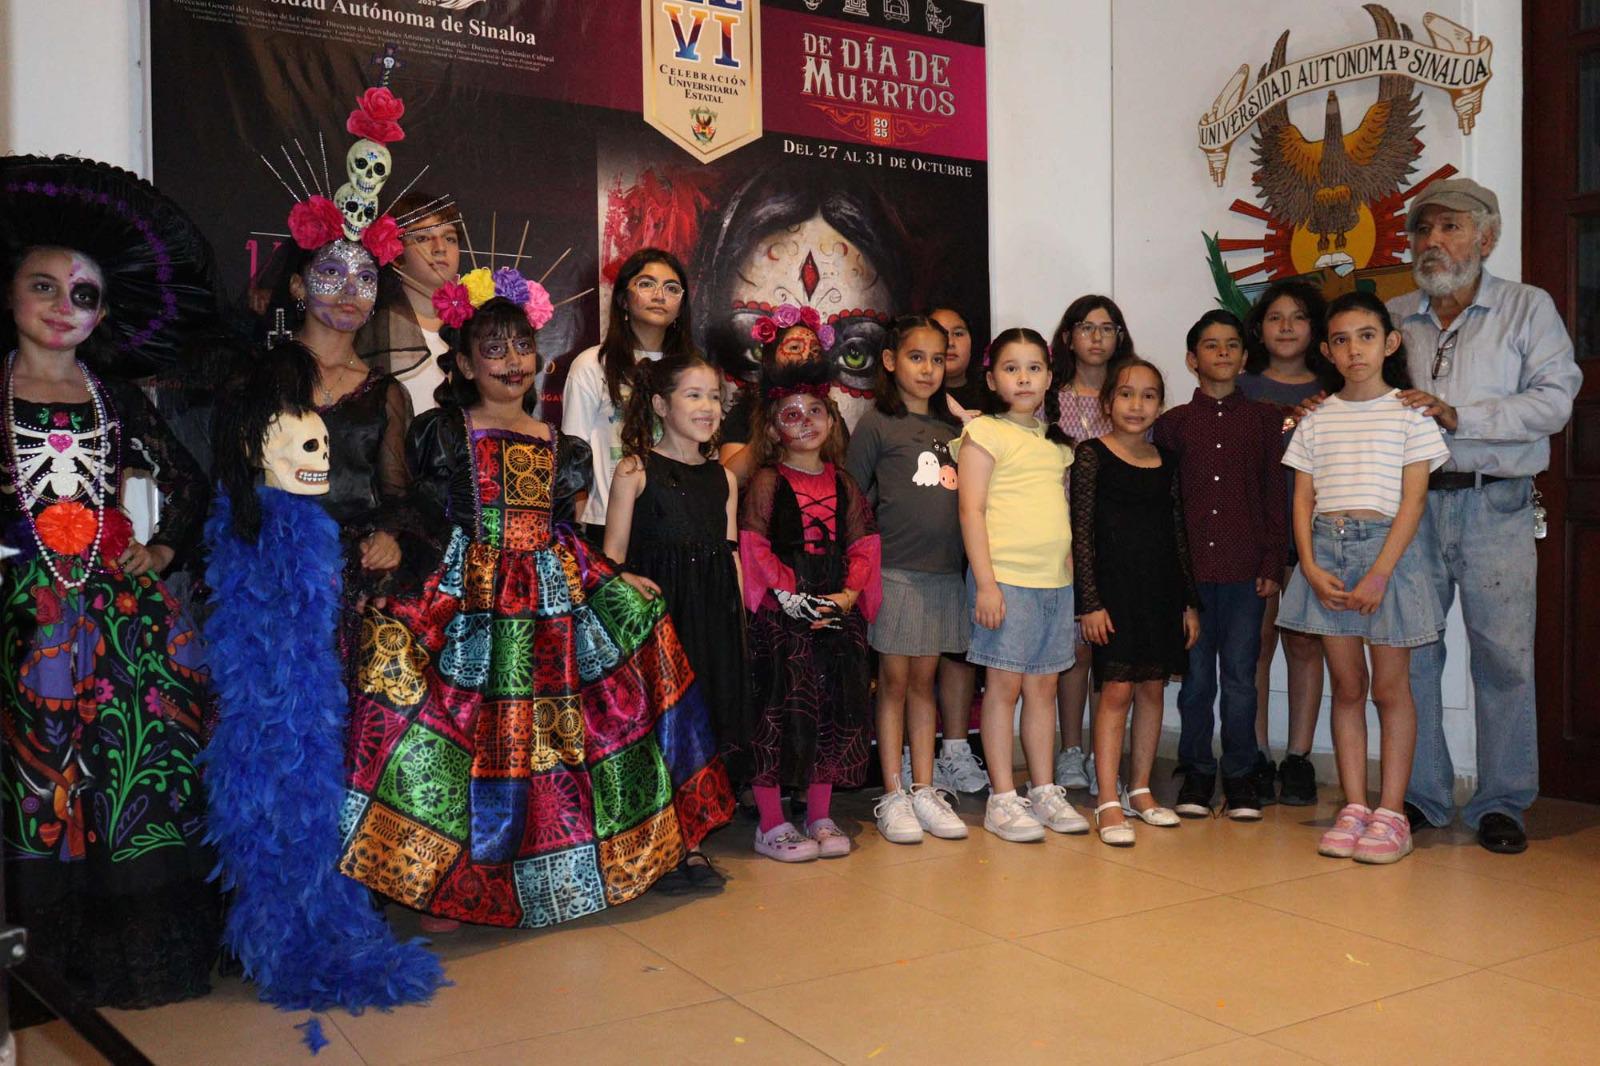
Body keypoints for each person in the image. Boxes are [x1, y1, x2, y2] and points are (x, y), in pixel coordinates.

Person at [339, 281, 735, 926]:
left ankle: (635, 845)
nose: (512, 361)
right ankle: (445, 871)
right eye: (493, 350)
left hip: (548, 599)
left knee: (579, 709)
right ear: (465, 364)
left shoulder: (565, 449)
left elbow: (563, 535)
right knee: (464, 731)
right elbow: (419, 514)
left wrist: (613, 577)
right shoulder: (442, 432)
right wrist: (395, 563)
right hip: (471, 597)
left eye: (522, 346)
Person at [0, 155, 222, 1011]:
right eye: (44, 286)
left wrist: (160, 553)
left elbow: (193, 485)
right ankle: (36, 970)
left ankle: (136, 964)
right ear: (11, 293)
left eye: (83, 294)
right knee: (37, 780)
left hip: (120, 627)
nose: (63, 307)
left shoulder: (115, 397)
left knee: (129, 779)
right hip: (22, 622)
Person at [203, 354, 443, 1009]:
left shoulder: (308, 527)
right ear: (257, 450)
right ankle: (277, 928)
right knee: (274, 786)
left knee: (314, 782)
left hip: (311, 691)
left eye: (325, 443)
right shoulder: (260, 529)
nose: (323, 459)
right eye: (306, 445)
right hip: (271, 704)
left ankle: (319, 910)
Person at [1388, 178, 1581, 854]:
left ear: (1486, 237)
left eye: (1449, 227)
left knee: (1503, 660)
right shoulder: (1393, 317)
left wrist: (1460, 415)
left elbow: (1555, 401)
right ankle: (1421, 795)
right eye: (1422, 230)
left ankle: (1503, 801)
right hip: (1410, 509)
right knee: (1414, 655)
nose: (1432, 242)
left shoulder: (1528, 308)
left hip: (1496, 502)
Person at [1277, 291, 1451, 864]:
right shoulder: (1316, 417)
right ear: (1327, 350)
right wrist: (1308, 563)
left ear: (1390, 343)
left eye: (1367, 336)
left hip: (1387, 559)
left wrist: (1380, 573)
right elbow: (1302, 499)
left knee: (1389, 690)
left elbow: (1413, 502)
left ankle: (1391, 811)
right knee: (1346, 688)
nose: (1355, 350)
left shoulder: (1410, 415)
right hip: (1327, 553)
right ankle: (1354, 805)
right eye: (1343, 339)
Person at [737, 315, 881, 862]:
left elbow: (865, 544)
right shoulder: (768, 482)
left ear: (830, 418)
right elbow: (753, 545)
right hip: (782, 618)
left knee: (833, 710)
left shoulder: (843, 482)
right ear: (772, 428)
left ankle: (820, 813)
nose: (804, 422)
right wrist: (790, 594)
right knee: (780, 713)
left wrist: (847, 595)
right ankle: (772, 822)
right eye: (790, 415)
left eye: (814, 412)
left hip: (835, 612)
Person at [605, 351, 744, 892]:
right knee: (660, 731)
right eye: (694, 395)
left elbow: (729, 552)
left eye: (714, 396)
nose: (707, 406)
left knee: (701, 727)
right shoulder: (635, 469)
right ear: (661, 404)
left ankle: (691, 843)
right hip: (658, 622)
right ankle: (658, 846)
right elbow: (611, 560)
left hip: (711, 616)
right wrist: (626, 587)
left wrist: (738, 620)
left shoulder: (723, 479)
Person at [1154, 310, 1287, 822]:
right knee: (1194, 683)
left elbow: (1276, 496)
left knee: (1240, 678)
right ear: (1193, 359)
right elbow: (1162, 503)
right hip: (1188, 577)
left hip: (1245, 573)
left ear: (1244, 356)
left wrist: (1275, 560)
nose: (1223, 353)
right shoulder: (1172, 425)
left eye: (1232, 345)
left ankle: (1240, 774)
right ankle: (1196, 772)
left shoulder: (1264, 421)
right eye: (1211, 346)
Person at [957, 328, 1088, 842]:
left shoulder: (1056, 445)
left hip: (1054, 584)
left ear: (1050, 376)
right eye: (1012, 368)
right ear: (992, 379)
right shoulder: (984, 433)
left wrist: (1072, 578)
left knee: (1044, 686)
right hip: (1005, 581)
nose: (1024, 377)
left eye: (1034, 367)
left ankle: (1043, 788)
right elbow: (971, 509)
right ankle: (1003, 797)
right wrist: (986, 585)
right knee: (1004, 687)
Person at [845, 315, 969, 845]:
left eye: (937, 359)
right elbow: (851, 497)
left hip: (946, 575)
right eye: (916, 357)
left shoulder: (956, 429)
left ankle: (925, 787)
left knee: (927, 683)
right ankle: (892, 792)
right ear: (891, 361)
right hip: (895, 573)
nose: (928, 369)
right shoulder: (876, 423)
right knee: (894, 683)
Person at [1074, 358, 1200, 846]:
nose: (1136, 405)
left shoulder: (1167, 460)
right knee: (1117, 692)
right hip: (1113, 594)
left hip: (1160, 592)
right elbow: (1081, 534)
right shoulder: (1091, 455)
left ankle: (1141, 789)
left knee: (1152, 689)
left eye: (1149, 396)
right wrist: (1089, 602)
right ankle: (1108, 797)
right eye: (1126, 394)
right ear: (1108, 402)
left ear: (1160, 406)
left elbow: (1178, 534)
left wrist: (1189, 602)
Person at [1239, 280, 1334, 806]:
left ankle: (1298, 757)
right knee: (1256, 642)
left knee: (1304, 639)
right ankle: (1254, 752)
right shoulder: (1241, 384)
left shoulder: (1333, 389)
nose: (1286, 327)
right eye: (1275, 317)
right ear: (1259, 328)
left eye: (1298, 317)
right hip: (1254, 527)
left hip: (1317, 529)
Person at [1042, 295, 1136, 795]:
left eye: (1108, 327)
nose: (1097, 337)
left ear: (1120, 336)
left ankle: (1108, 757)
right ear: (1068, 337)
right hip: (1059, 541)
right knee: (1074, 654)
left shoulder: (1130, 398)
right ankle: (1071, 752)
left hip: (1118, 544)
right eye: (1087, 327)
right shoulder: (1047, 397)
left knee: (1116, 657)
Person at [562, 247, 696, 540]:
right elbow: (573, 455)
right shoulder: (593, 365)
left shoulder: (691, 371)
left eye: (672, 288)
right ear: (623, 299)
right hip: (607, 521)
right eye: (646, 284)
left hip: (679, 522)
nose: (659, 295)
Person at [926, 306, 987, 792]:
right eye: (937, 334)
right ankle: (914, 754)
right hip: (924, 543)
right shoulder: (916, 400)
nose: (948, 342)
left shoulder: (992, 398)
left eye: (959, 331)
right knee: (919, 652)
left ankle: (956, 748)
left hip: (978, 543)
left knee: (962, 650)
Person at [355, 190, 463, 415]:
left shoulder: (474, 328)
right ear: (395, 252)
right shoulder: (370, 330)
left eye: (450, 238)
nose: (440, 248)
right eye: (422, 238)